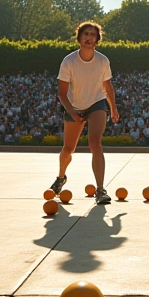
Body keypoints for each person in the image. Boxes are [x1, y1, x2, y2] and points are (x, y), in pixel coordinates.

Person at [50, 21, 117, 205]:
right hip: (74, 105)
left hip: (97, 103)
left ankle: (101, 189)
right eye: (86, 34)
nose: (89, 37)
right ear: (79, 38)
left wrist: (113, 108)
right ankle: (61, 177)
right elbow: (62, 94)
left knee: (95, 143)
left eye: (93, 35)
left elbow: (107, 86)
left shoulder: (102, 61)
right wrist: (72, 113)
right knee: (68, 149)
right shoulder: (69, 61)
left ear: (97, 39)